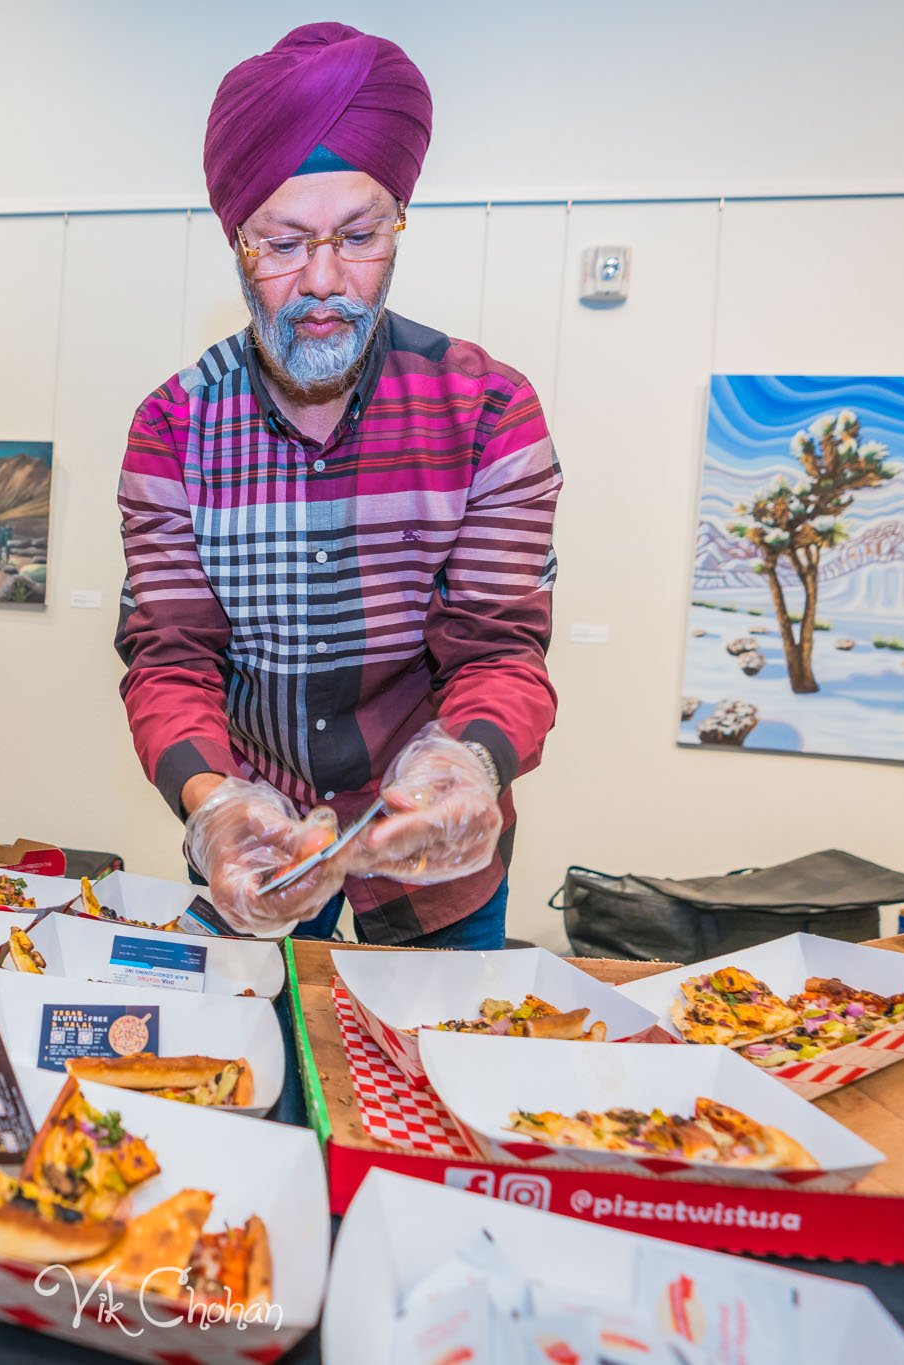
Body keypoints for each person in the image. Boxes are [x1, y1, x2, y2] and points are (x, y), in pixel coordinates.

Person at [115, 23, 562, 947]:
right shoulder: (172, 427)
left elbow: (500, 653)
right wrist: (213, 805)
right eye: (282, 245)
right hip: (262, 845)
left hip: (435, 862)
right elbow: (172, 660)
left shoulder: (491, 410)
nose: (324, 283)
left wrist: (471, 766)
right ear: (237, 240)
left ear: (398, 222)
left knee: (440, 1078)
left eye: (359, 236)